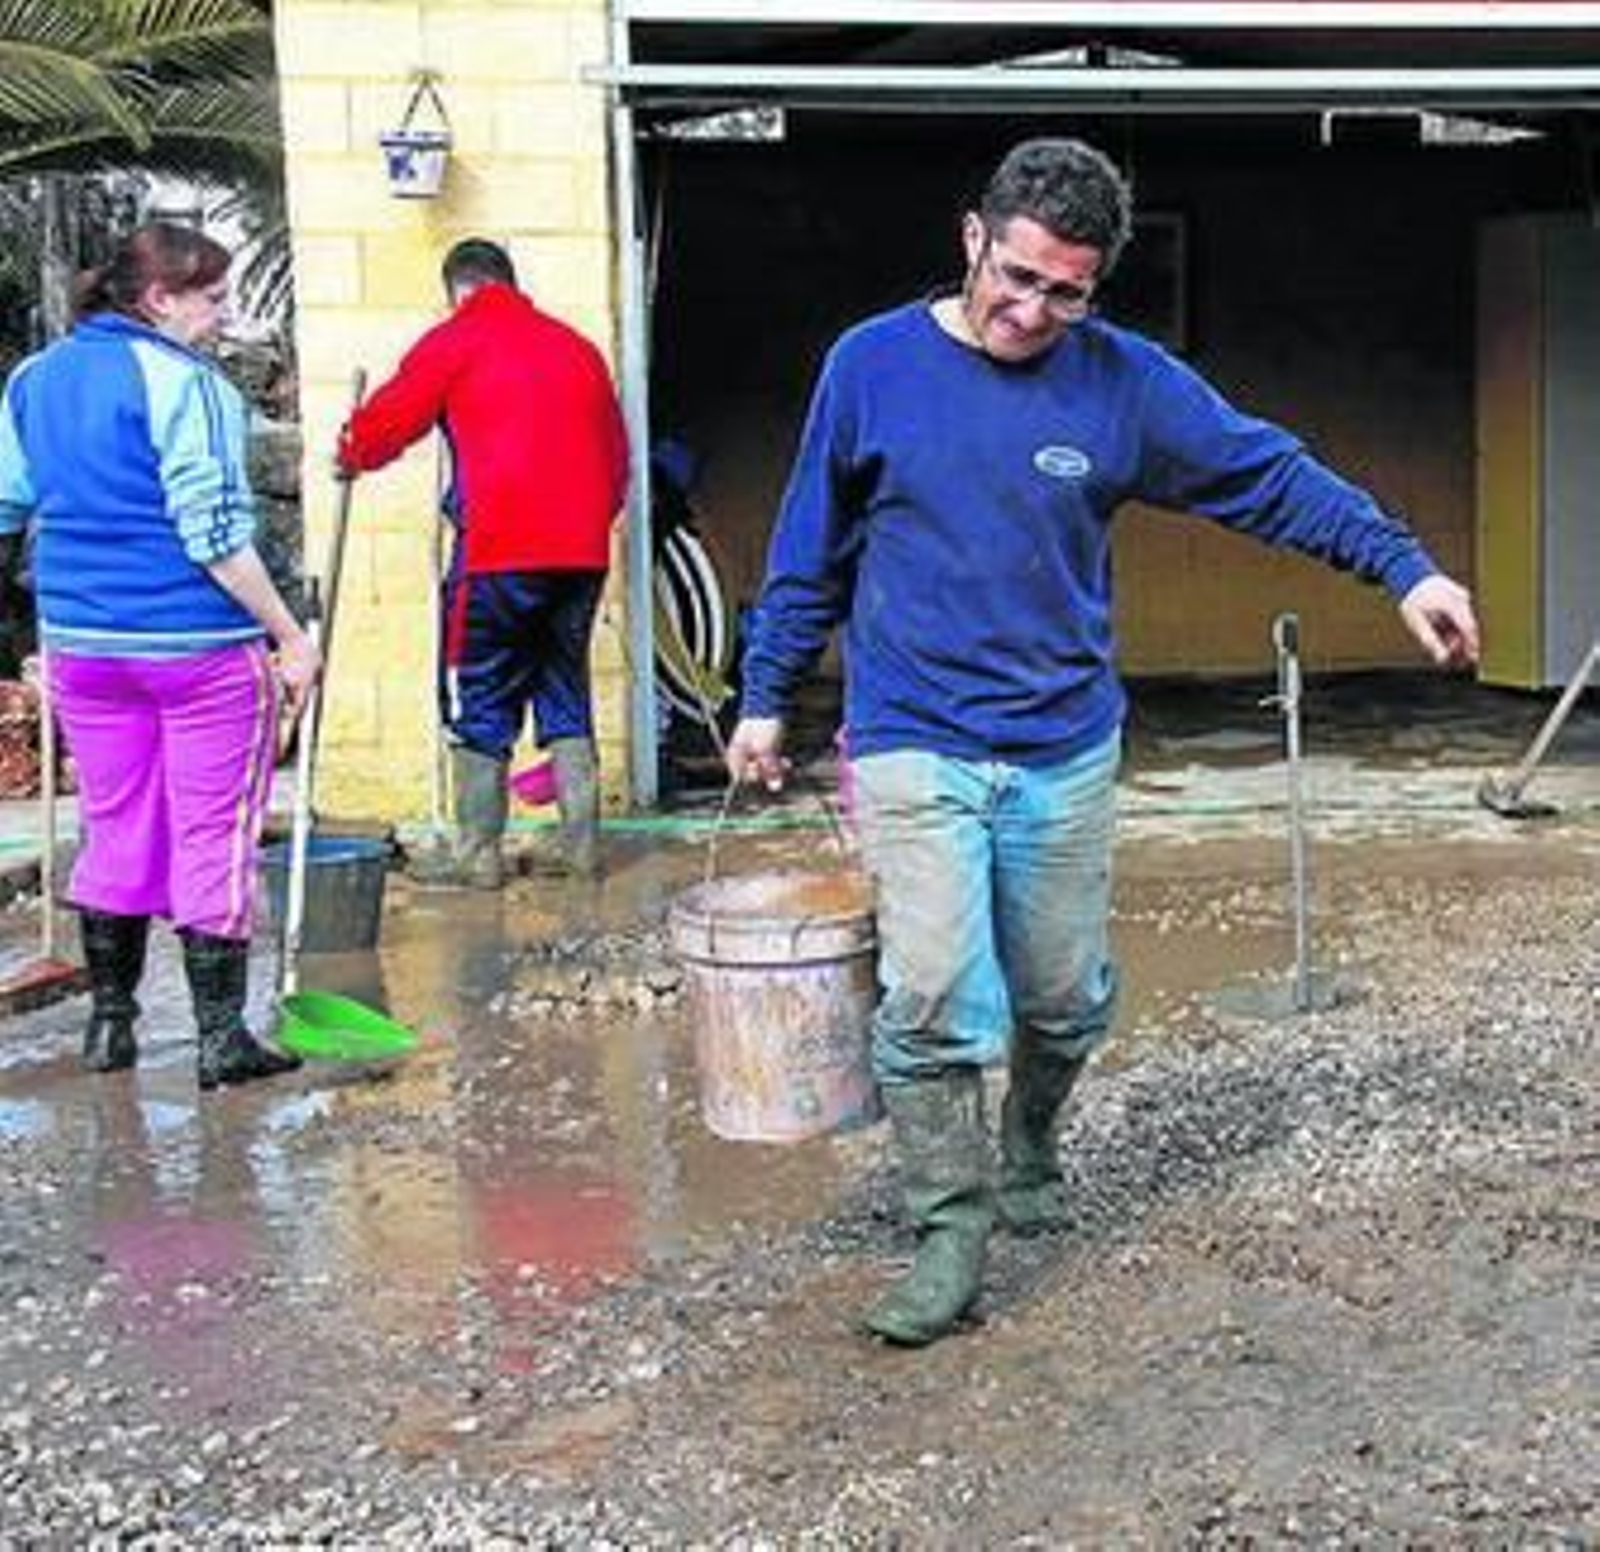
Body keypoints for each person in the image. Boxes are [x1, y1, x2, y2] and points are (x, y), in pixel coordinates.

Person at [725, 138, 1480, 1347]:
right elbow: (810, 547)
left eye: (1063, 292)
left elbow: (1267, 473)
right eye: (1014, 276)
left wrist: (1405, 565)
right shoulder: (869, 367)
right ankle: (948, 1233)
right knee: (932, 994)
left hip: (1061, 741)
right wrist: (766, 694)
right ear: (973, 236)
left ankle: (1030, 1136)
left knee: (1064, 998)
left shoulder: (1121, 386)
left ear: (1093, 289)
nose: (1029, 310)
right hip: (913, 731)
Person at [0, 222, 319, 1091]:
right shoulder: (189, 385)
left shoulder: (33, 378)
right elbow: (214, 533)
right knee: (212, 831)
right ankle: (222, 1037)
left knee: (117, 822)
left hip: (85, 649)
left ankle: (112, 1027)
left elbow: (7, 506)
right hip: (196, 648)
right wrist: (291, 636)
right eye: (212, 299)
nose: (222, 317)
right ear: (160, 300)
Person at [338, 238, 630, 886]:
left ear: (457, 291)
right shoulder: (577, 349)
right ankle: (579, 848)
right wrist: (582, 529)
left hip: (499, 554)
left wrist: (350, 449)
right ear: (510, 281)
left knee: (481, 686)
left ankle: (477, 855)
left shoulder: (457, 339)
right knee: (563, 683)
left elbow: (390, 421)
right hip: (581, 556)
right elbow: (617, 464)